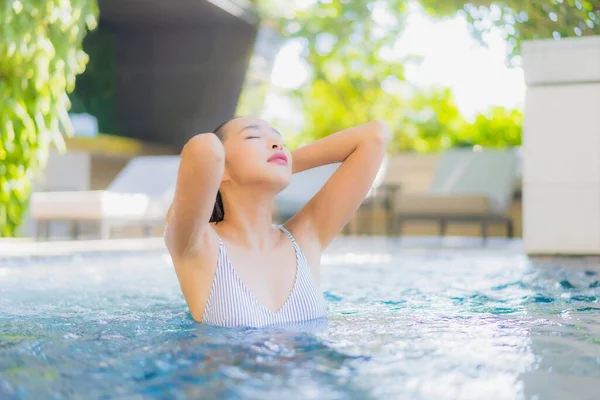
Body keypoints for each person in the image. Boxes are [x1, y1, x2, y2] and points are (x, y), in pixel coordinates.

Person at [164, 117, 390, 328]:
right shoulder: (196, 244)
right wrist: (271, 163)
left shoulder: (306, 238)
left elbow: (374, 136)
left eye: (279, 140)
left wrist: (284, 163)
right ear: (221, 166)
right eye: (253, 137)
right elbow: (203, 148)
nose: (277, 144)